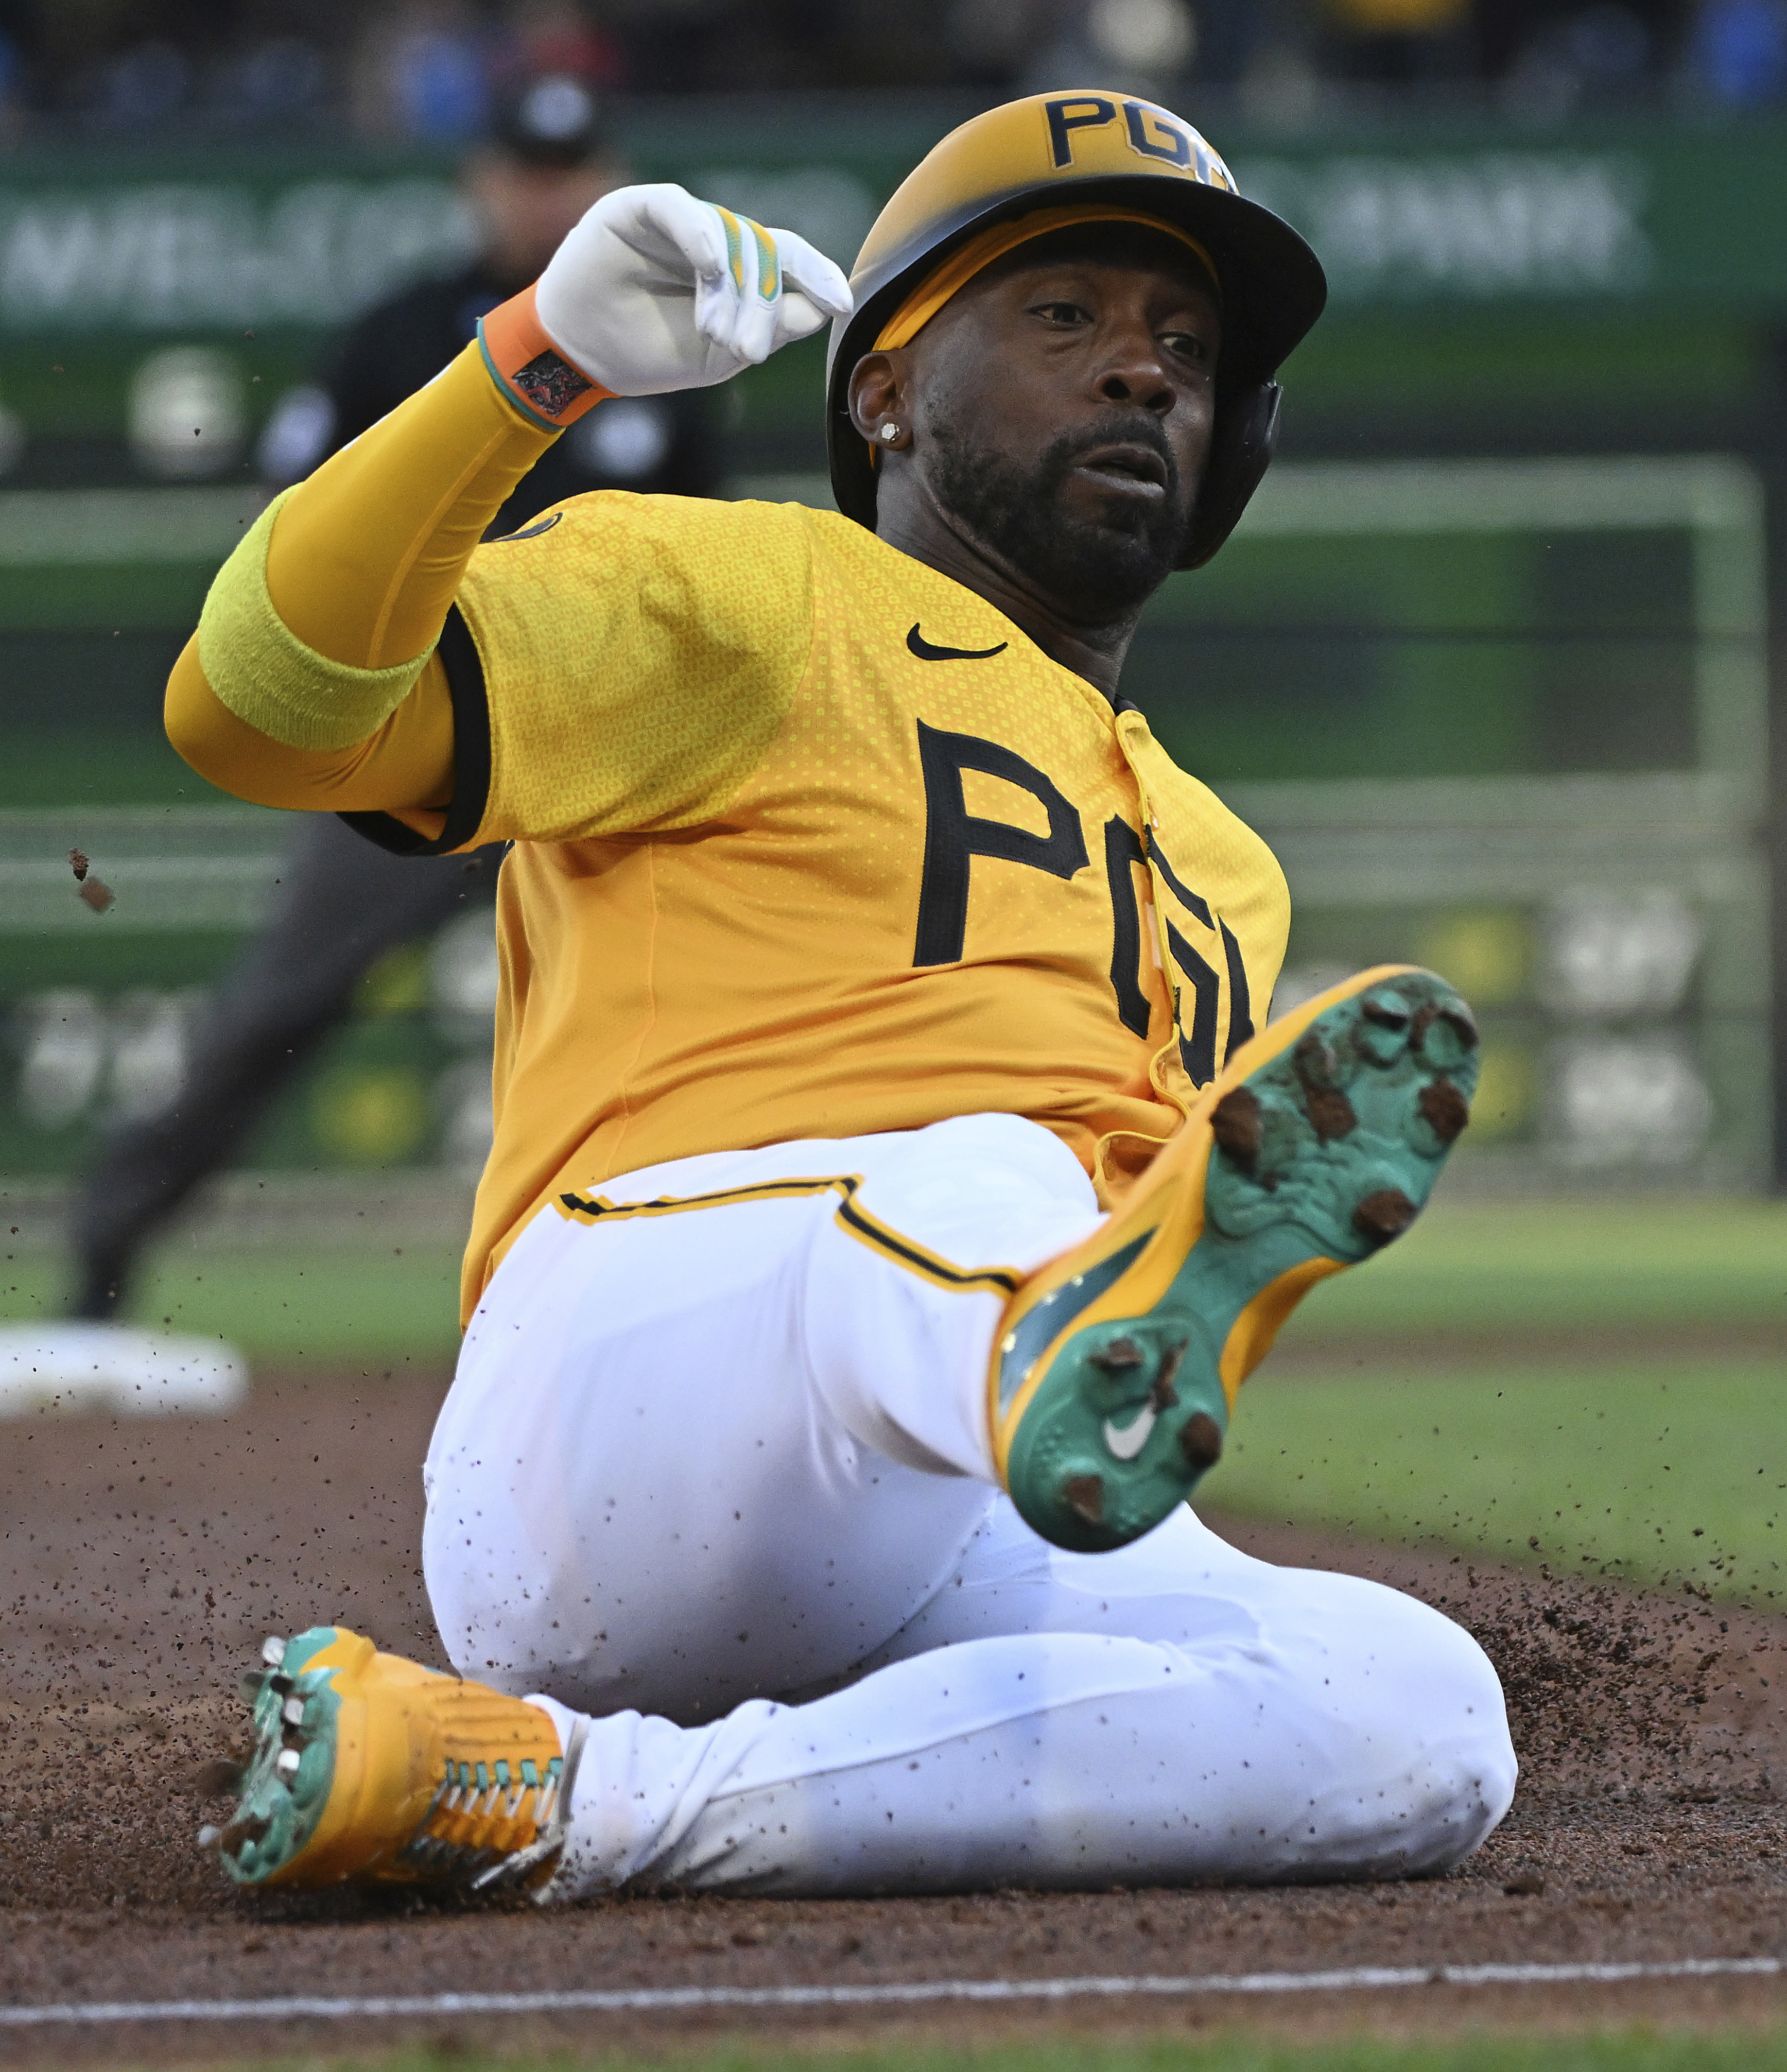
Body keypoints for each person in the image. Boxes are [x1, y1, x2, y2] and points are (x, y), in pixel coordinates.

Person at [181, 90, 1510, 1901]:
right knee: (981, 1177)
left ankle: (568, 1795)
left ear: (1237, 444)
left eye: (1185, 350)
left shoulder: (1222, 863)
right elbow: (253, 706)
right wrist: (533, 364)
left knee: (1421, 1717)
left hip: (933, 1510)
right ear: (881, 393)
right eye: (1065, 319)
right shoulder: (748, 592)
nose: (1142, 376)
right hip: (619, 1411)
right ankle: (1030, 1328)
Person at [56, 74, 721, 1339]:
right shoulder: (404, 330)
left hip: (602, 745)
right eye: (528, 171)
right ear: (481, 181)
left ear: (608, 176)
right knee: (281, 1004)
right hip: (423, 737)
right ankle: (102, 1255)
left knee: (693, 1011)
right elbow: (292, 533)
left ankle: (701, 1313)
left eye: (573, 170)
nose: (549, 194)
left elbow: (706, 555)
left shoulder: (661, 350)